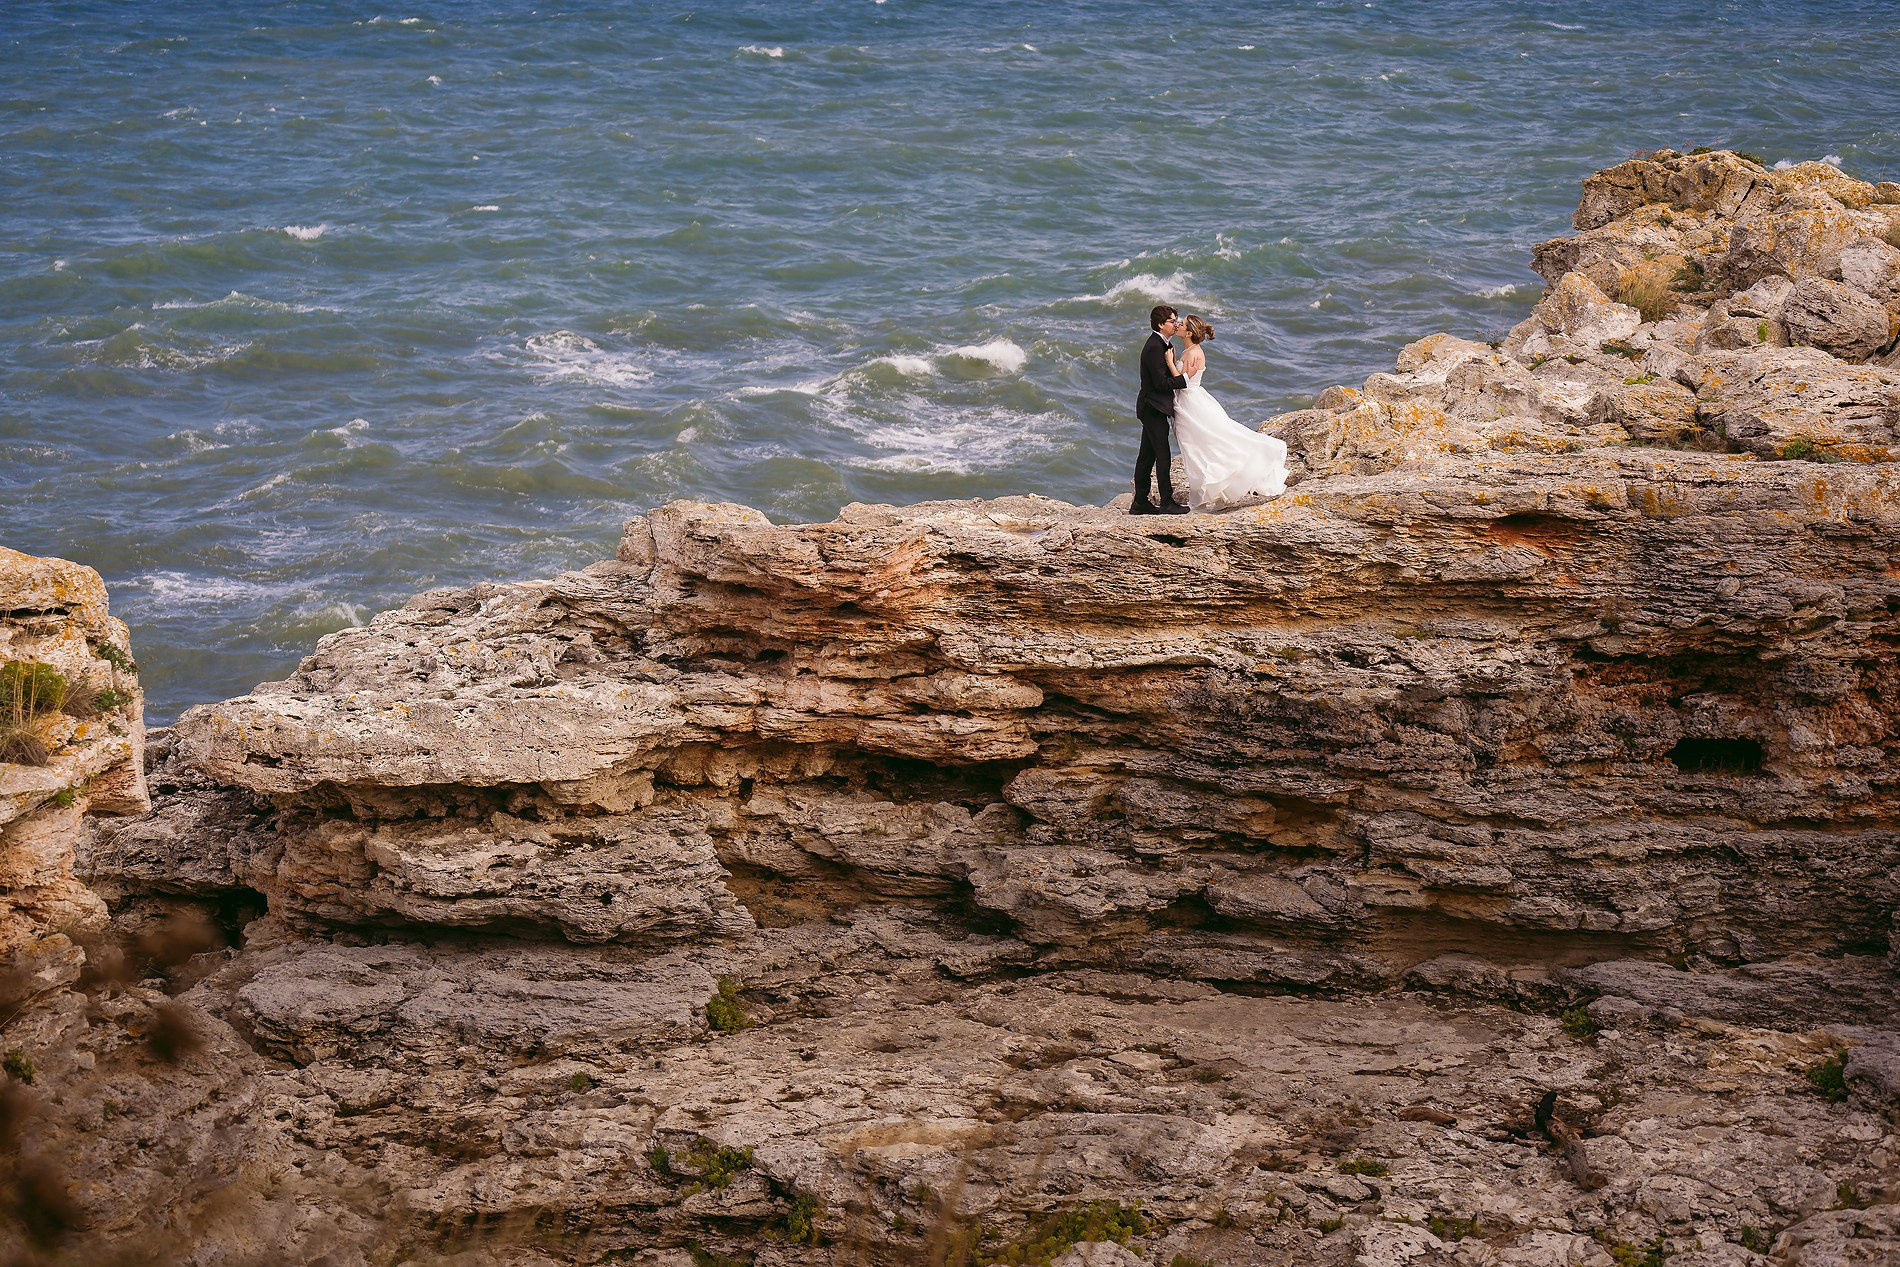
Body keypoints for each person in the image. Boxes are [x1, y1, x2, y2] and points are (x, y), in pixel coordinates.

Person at [1165, 315, 1288, 511]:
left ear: (1189, 333)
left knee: (1200, 445)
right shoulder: (1189, 350)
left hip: (1191, 402)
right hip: (1186, 402)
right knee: (1195, 447)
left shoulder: (1194, 353)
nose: (1178, 325)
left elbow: (1184, 381)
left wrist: (1170, 362)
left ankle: (1206, 493)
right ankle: (1207, 492)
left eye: (1182, 324)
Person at [1131, 304, 1191, 514]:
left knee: (1146, 456)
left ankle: (1139, 502)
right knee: (1162, 454)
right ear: (1160, 324)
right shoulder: (1155, 347)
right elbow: (1159, 384)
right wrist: (1182, 381)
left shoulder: (1163, 344)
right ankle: (1166, 501)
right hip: (1153, 407)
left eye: (1177, 320)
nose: (1176, 324)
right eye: (1172, 321)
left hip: (1153, 407)